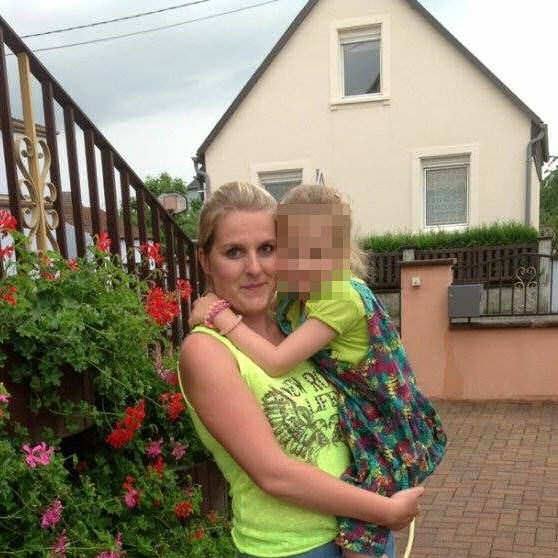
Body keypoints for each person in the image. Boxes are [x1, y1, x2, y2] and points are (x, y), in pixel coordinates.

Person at [190, 184, 446, 558]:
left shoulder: (294, 322)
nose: (255, 268)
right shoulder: (208, 350)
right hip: (295, 547)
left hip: (363, 523)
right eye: (234, 252)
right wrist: (385, 511)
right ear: (205, 260)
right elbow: (274, 474)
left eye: (268, 248)